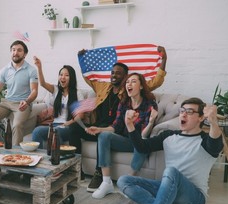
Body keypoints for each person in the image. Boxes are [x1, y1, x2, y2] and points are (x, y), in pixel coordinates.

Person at [118, 97, 223, 204]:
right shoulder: (169, 136)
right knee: (124, 181)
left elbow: (216, 145)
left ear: (200, 118)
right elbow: (142, 147)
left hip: (194, 199)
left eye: (190, 112)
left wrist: (213, 122)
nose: (183, 115)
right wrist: (129, 124)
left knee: (171, 171)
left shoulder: (205, 141)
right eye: (182, 111)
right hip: (168, 192)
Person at [69, 46, 167, 190]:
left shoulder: (130, 95)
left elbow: (156, 82)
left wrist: (163, 59)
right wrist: (81, 59)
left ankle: (99, 174)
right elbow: (88, 77)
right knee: (73, 128)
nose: (114, 75)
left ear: (126, 76)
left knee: (105, 136)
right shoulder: (104, 88)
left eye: (119, 74)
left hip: (117, 131)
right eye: (113, 73)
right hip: (103, 125)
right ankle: (77, 170)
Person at [85, 73, 158, 199]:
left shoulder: (150, 104)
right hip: (125, 140)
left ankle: (129, 182)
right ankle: (106, 182)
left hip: (140, 141)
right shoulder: (124, 103)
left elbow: (144, 135)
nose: (129, 84)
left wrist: (151, 122)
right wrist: (99, 129)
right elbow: (116, 127)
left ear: (141, 86)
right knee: (104, 136)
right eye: (128, 82)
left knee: (143, 142)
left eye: (133, 81)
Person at [0, 40, 38, 146]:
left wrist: (27, 101)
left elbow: (34, 91)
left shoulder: (31, 70)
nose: (15, 53)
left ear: (25, 54)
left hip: (22, 104)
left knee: (17, 125)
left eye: (19, 50)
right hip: (6, 102)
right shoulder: (4, 70)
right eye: (13, 50)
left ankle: (15, 154)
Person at [31, 57, 84, 148]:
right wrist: (39, 67)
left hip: (67, 127)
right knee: (37, 131)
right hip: (54, 125)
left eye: (66, 75)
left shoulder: (78, 94)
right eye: (61, 74)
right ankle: (41, 157)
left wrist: (69, 122)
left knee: (55, 133)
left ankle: (58, 157)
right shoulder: (55, 90)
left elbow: (81, 115)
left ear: (71, 78)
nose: (62, 77)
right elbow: (42, 83)